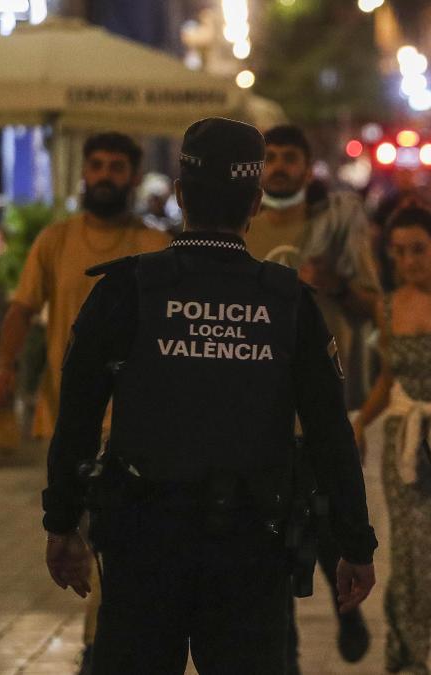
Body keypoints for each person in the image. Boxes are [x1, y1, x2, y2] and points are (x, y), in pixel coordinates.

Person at [41, 118, 378, 674]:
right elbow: (328, 432)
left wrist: (61, 522)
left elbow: (74, 417)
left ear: (179, 196)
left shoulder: (126, 289)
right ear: (256, 201)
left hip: (142, 544)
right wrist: (355, 543)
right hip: (250, 547)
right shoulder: (287, 302)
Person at [0, 132, 170, 670]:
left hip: (139, 424)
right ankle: (105, 643)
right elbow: (22, 308)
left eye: (118, 166)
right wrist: (4, 365)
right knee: (93, 538)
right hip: (72, 420)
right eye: (98, 166)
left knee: (110, 540)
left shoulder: (157, 246)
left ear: (135, 177)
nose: (106, 175)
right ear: (84, 174)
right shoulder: (56, 240)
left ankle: (100, 648)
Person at [244, 124, 380, 666]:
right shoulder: (241, 225)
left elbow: (375, 305)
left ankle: (348, 608)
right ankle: (287, 653)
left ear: (307, 166)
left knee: (327, 522)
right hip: (258, 408)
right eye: (269, 157)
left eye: (288, 158)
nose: (278, 166)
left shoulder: (335, 224)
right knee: (271, 543)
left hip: (323, 401)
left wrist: (337, 286)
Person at [353, 206, 431, 675]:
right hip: (406, 443)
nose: (409, 261)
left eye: (418, 249)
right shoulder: (388, 306)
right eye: (399, 252)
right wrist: (361, 421)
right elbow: (388, 378)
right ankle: (409, 659)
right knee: (411, 556)